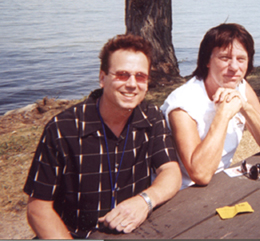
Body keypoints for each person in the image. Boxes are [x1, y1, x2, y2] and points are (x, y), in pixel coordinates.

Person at [23, 34, 182, 239]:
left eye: (140, 76)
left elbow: (171, 171)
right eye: (122, 74)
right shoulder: (62, 129)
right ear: (102, 78)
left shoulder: (151, 117)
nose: (132, 84)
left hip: (133, 231)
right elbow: (38, 209)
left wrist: (145, 200)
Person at [161, 23, 260, 189]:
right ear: (207, 61)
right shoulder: (183, 105)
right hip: (185, 193)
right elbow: (200, 175)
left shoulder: (240, 86)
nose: (234, 68)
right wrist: (223, 114)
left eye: (241, 59)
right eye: (225, 58)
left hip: (222, 182)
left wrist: (244, 107)